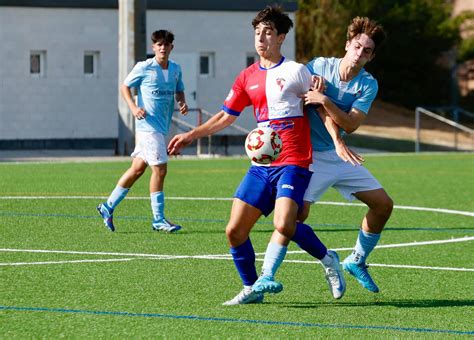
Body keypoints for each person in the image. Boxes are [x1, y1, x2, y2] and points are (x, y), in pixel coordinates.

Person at [168, 6, 350, 305]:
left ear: (281, 37)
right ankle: (252, 288)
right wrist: (191, 135)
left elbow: (319, 106)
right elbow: (226, 117)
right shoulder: (247, 77)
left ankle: (328, 259)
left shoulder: (296, 71)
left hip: (293, 161)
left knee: (283, 224)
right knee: (234, 231)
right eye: (257, 32)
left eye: (268, 32)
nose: (261, 38)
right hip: (261, 164)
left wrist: (336, 140)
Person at [260, 16, 393, 294]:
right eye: (357, 46)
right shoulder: (319, 67)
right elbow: (308, 103)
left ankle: (357, 260)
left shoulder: (368, 85)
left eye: (366, 51)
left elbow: (351, 124)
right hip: (310, 156)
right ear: (347, 44)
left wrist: (325, 99)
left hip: (342, 156)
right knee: (295, 216)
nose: (359, 54)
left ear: (371, 56)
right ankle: (266, 275)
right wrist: (324, 110)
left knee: (383, 205)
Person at [97, 30, 188, 233]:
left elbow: (179, 89)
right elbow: (125, 87)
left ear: (171, 47)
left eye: (166, 44)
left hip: (160, 127)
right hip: (148, 127)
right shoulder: (144, 67)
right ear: (153, 47)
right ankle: (158, 219)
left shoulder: (175, 69)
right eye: (159, 44)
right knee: (160, 170)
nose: (162, 48)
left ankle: (107, 206)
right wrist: (133, 108)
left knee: (137, 169)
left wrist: (182, 101)